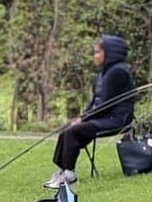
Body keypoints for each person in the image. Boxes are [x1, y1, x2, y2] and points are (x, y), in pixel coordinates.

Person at [48, 34, 137, 187]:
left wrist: (84, 120)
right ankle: (62, 170)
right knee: (67, 128)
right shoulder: (104, 72)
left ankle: (69, 174)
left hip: (115, 119)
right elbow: (95, 101)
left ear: (109, 53)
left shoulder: (118, 72)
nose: (94, 56)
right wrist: (82, 116)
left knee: (75, 131)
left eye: (97, 52)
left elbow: (105, 105)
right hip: (102, 117)